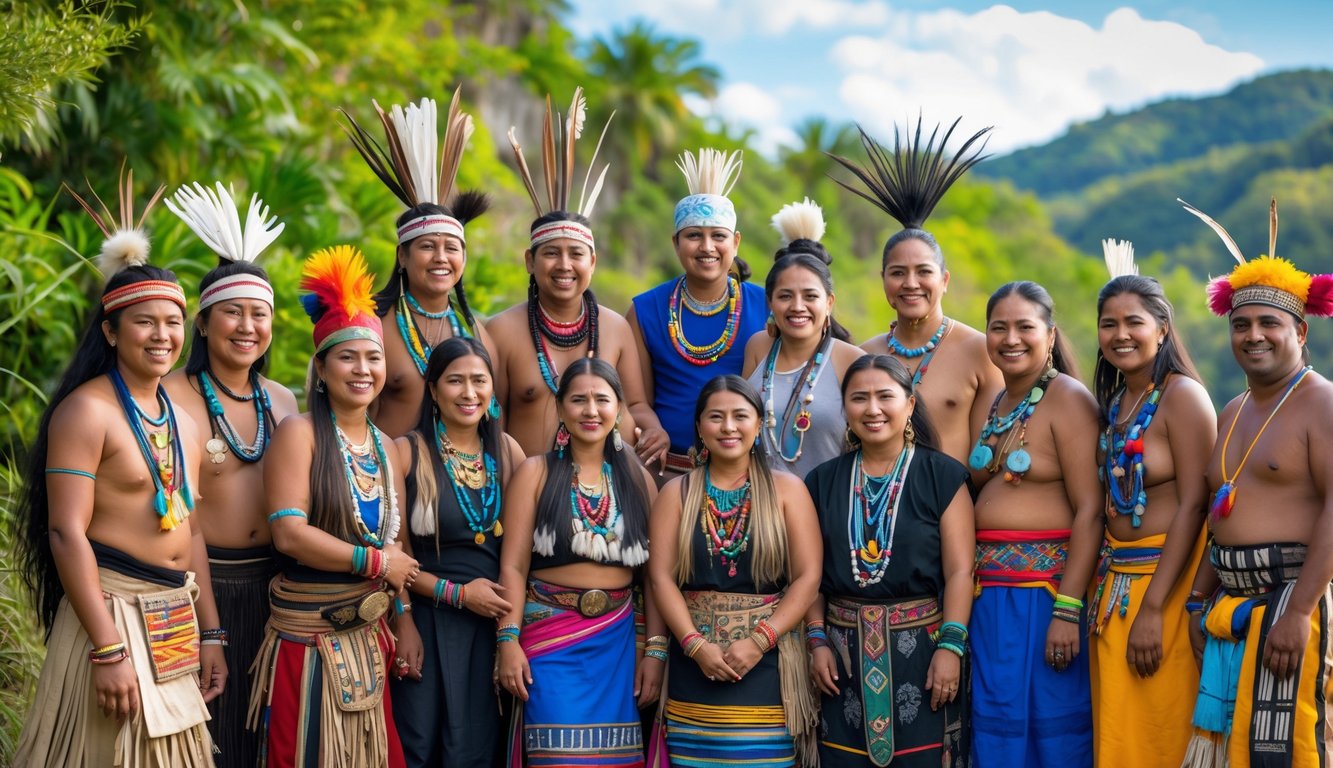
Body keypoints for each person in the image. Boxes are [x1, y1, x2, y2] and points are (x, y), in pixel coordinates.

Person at [16, 177, 221, 766]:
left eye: (173, 322)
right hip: (111, 614)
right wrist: (107, 649)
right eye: (145, 322)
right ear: (110, 332)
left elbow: (194, 533)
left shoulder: (184, 418)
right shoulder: (87, 412)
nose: (163, 335)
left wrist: (211, 632)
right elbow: (65, 533)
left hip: (173, 615)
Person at [249, 245, 419, 768]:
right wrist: (374, 563)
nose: (363, 369)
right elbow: (290, 534)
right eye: (348, 357)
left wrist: (406, 616)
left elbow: (396, 544)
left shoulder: (386, 447)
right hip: (308, 644)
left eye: (374, 358)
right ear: (321, 368)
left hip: (372, 635)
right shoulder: (299, 434)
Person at [1177, 200, 1333, 767]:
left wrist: (1299, 612)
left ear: (1300, 329)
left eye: (1270, 323)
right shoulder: (1232, 409)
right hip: (1231, 610)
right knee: (1225, 756)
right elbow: (1222, 516)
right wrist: (1197, 600)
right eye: (1241, 324)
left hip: (1292, 602)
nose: (1253, 335)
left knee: (1286, 754)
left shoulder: (1322, 403)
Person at [804, 355, 975, 767]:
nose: (873, 409)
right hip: (840, 658)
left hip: (924, 654)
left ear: (910, 404)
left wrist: (951, 647)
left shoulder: (943, 476)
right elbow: (809, 574)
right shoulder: (821, 481)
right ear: (845, 408)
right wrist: (816, 640)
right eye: (859, 398)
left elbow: (960, 571)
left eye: (885, 396)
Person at [647, 375, 823, 767]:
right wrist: (695, 646)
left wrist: (759, 641)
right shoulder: (676, 493)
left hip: (770, 665)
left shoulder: (787, 490)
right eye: (716, 417)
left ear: (759, 424)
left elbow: (808, 577)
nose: (728, 427)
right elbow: (660, 578)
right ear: (698, 427)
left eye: (741, 416)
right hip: (694, 665)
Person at [1086, 240, 1215, 768]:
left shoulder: (1182, 395)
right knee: (1119, 734)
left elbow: (1196, 505)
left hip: (1168, 584)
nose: (1120, 335)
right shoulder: (1116, 403)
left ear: (1162, 329)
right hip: (1116, 589)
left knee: (1164, 728)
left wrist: (1156, 608)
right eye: (1108, 324)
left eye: (1133, 322)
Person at [488, 88, 667, 465]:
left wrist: (653, 431)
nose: (564, 265)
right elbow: (491, 423)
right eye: (551, 253)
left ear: (593, 262)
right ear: (529, 262)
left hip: (603, 495)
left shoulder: (615, 328)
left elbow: (635, 404)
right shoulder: (501, 331)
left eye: (576, 254)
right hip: (526, 490)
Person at [496, 357, 659, 767]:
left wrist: (655, 652)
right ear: (561, 407)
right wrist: (507, 640)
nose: (591, 410)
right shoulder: (536, 473)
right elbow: (513, 567)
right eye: (578, 400)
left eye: (602, 400)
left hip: (617, 642)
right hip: (550, 640)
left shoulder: (638, 479)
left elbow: (654, 579)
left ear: (619, 408)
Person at [966, 281, 1102, 768]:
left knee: (1052, 734)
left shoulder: (1068, 399)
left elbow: (1091, 509)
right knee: (996, 731)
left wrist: (1067, 608)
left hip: (1045, 597)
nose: (1010, 338)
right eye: (998, 327)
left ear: (1050, 334)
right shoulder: (997, 402)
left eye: (1025, 327)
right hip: (991, 600)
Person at [828, 116, 1002, 463]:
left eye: (923, 272)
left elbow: (990, 454)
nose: (910, 284)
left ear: (944, 280)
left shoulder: (980, 351)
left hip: (954, 506)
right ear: (883, 281)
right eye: (898, 273)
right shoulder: (863, 356)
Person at [390, 336, 524, 765]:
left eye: (479, 381)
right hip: (425, 621)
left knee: (478, 747)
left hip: (492, 626)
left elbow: (521, 554)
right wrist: (411, 618)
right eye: (455, 381)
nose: (469, 393)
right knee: (419, 743)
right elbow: (395, 553)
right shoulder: (407, 452)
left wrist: (510, 633)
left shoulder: (508, 453)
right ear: (432, 389)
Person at [342, 91, 500, 437]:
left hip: (460, 487)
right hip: (385, 482)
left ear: (464, 257)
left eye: (451, 248)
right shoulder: (370, 325)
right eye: (428, 247)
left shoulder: (478, 335)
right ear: (403, 255)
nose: (441, 258)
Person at [628, 148, 768, 478]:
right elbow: (637, 402)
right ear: (676, 243)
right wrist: (652, 429)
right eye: (694, 236)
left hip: (745, 475)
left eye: (717, 236)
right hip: (667, 474)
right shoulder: (644, 310)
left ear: (735, 243)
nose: (706, 247)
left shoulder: (768, 306)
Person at [742, 201, 863, 479]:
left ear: (829, 302)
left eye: (810, 296)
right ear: (770, 302)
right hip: (761, 504)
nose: (798, 306)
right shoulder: (758, 348)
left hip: (829, 506)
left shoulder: (851, 359)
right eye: (785, 296)